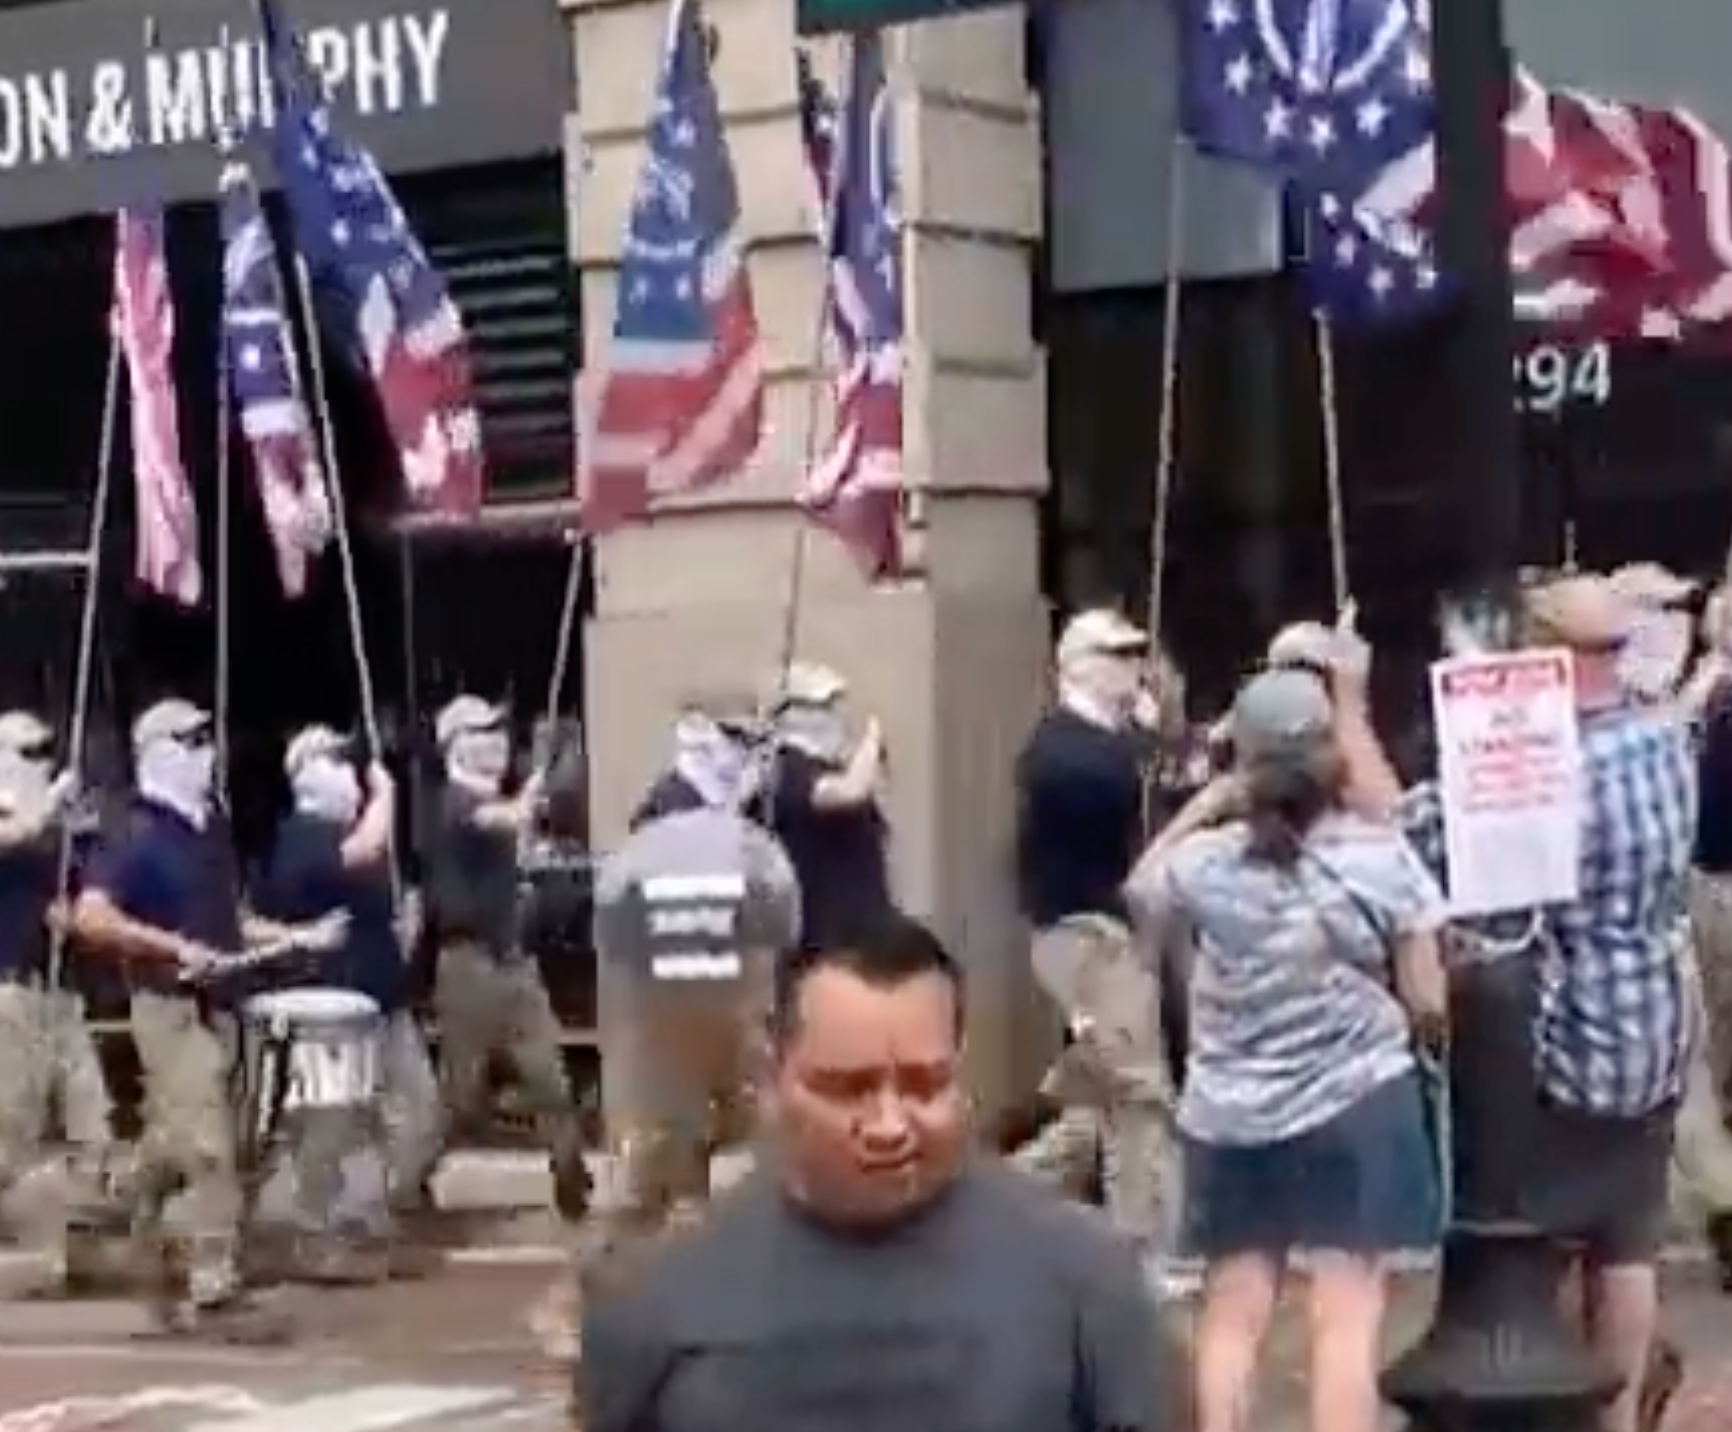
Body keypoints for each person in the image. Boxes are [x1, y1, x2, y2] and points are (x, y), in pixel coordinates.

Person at [576, 912, 1187, 1432]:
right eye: (849, 1089)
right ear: (771, 1076)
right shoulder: (657, 1300)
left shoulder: (1085, 1281)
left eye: (925, 1086)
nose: (891, 1126)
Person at [1127, 665, 1448, 1432]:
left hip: (1230, 1109)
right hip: (1358, 1101)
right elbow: (1429, 999)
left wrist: (1209, 801)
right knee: (1346, 1309)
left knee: (1234, 1308)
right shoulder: (1381, 857)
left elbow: (1140, 890)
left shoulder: (1205, 863)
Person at [69, 698, 336, 1339]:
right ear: (157, 754)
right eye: (190, 741)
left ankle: (104, 1210)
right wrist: (172, 948)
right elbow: (91, 916)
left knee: (189, 1142)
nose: (205, 751)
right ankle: (213, 1286)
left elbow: (230, 921)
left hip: (222, 1006)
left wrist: (297, 937)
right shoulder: (134, 832)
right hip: (168, 1008)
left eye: (206, 739)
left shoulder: (209, 828)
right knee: (211, 1147)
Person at [1009, 608, 1180, 1272]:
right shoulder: (1059, 743)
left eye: (1137, 652)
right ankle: (1148, 1247)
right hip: (1085, 935)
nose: (1133, 665)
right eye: (1116, 654)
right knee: (1139, 1091)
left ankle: (983, 1206)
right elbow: (1099, 789)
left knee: (1095, 1101)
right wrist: (1141, 735)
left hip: (1109, 935)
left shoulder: (1111, 739)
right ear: (1077, 664)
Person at [250, 725, 441, 1282]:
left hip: (381, 999)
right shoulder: (304, 835)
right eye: (334, 760)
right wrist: (387, 795)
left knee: (419, 1113)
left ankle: (366, 1217)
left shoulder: (347, 833)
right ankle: (314, 1230)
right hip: (332, 1006)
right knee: (332, 1123)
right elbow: (361, 851)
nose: (347, 770)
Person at [421, 695, 581, 1212]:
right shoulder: (452, 801)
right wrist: (526, 802)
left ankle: (571, 1174)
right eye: (481, 732)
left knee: (550, 1077)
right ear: (455, 744)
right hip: (467, 967)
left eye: (497, 731)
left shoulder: (488, 801)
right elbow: (498, 820)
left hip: (512, 962)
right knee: (460, 1098)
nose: (495, 741)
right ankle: (404, 1183)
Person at [0, 707, 107, 1293]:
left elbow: (63, 897)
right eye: (29, 753)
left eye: (47, 751)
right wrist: (44, 814)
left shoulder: (47, 830)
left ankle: (71, 1240)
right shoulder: (18, 821)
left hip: (58, 990)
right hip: (7, 991)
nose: (41, 763)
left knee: (93, 1122)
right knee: (9, 1132)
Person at [764, 663, 893, 949]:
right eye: (827, 706)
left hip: (860, 931)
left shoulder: (826, 766)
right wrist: (871, 740)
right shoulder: (788, 767)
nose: (836, 716)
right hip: (824, 935)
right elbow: (848, 792)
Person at [630, 690, 763, 827]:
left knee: (697, 743)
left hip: (714, 791)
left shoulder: (661, 797)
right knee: (693, 743)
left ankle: (745, 736)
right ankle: (743, 734)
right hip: (708, 786)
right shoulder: (662, 795)